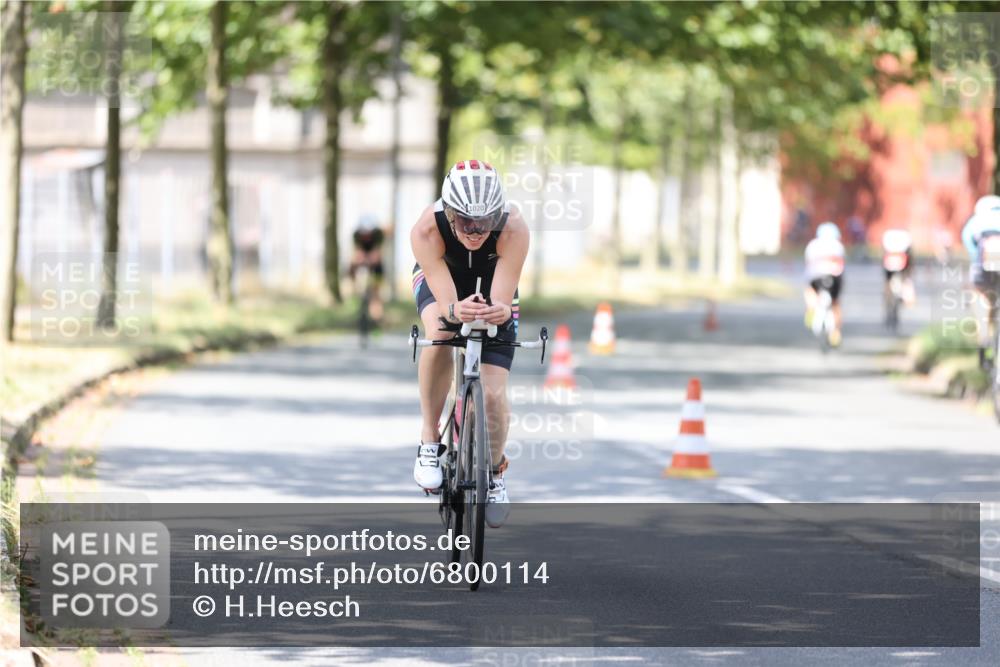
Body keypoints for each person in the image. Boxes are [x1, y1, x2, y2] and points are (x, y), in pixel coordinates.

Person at [410, 159, 529, 528]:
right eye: (466, 222)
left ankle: (494, 472)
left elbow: (502, 301)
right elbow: (448, 306)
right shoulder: (427, 229)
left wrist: (498, 312)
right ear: (449, 213)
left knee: (492, 394)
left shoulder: (514, 227)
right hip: (443, 279)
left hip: (493, 284)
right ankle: (430, 440)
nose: (476, 231)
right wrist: (453, 310)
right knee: (441, 331)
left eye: (485, 221)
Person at [961, 195, 1000, 367]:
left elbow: (969, 242)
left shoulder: (976, 222)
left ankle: (984, 337)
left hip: (983, 267)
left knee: (980, 296)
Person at [804, 222, 846, 346]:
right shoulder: (838, 246)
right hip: (834, 278)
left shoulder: (813, 245)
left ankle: (811, 309)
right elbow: (842, 265)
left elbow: (808, 265)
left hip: (816, 278)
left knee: (809, 290)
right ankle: (836, 333)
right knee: (836, 303)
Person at [349, 215, 386, 322]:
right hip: (362, 260)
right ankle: (355, 290)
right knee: (352, 265)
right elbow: (357, 253)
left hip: (376, 266)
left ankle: (377, 317)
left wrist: (369, 259)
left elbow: (377, 255)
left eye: (368, 234)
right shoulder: (356, 235)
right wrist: (360, 260)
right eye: (364, 235)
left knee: (376, 291)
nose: (366, 236)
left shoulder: (378, 235)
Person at [880, 228, 915, 307]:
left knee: (892, 281)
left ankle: (889, 296)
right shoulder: (902, 242)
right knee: (904, 279)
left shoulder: (890, 240)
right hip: (896, 270)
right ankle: (890, 296)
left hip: (896, 269)